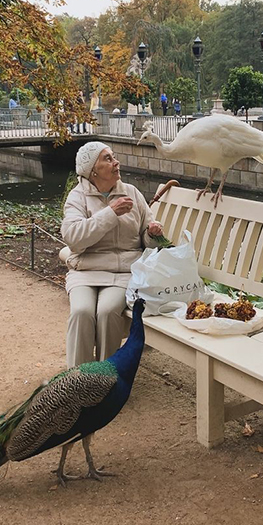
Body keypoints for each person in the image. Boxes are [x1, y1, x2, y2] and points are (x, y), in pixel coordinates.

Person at [61, 142, 164, 367]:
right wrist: (111, 213)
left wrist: (152, 233)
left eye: (113, 156)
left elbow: (146, 241)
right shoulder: (77, 197)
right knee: (81, 312)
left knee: (108, 312)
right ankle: (76, 380)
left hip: (124, 271)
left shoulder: (132, 193)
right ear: (92, 170)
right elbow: (73, 239)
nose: (116, 162)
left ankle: (105, 379)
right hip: (86, 270)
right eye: (107, 158)